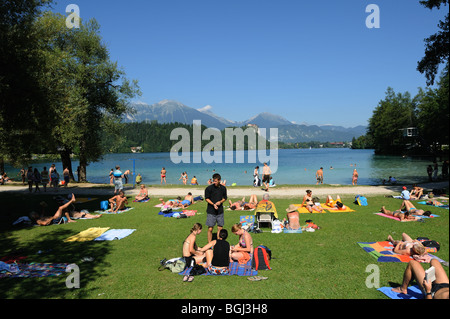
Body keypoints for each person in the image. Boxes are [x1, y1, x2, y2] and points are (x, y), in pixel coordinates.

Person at [204, 173, 227, 243]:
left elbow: (225, 198)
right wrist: (213, 204)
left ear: (219, 180)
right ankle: (209, 243)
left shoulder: (223, 188)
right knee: (210, 228)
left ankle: (218, 242)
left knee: (220, 227)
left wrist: (220, 202)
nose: (214, 182)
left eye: (216, 181)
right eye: (213, 181)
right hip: (211, 211)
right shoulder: (208, 188)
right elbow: (206, 198)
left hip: (220, 211)